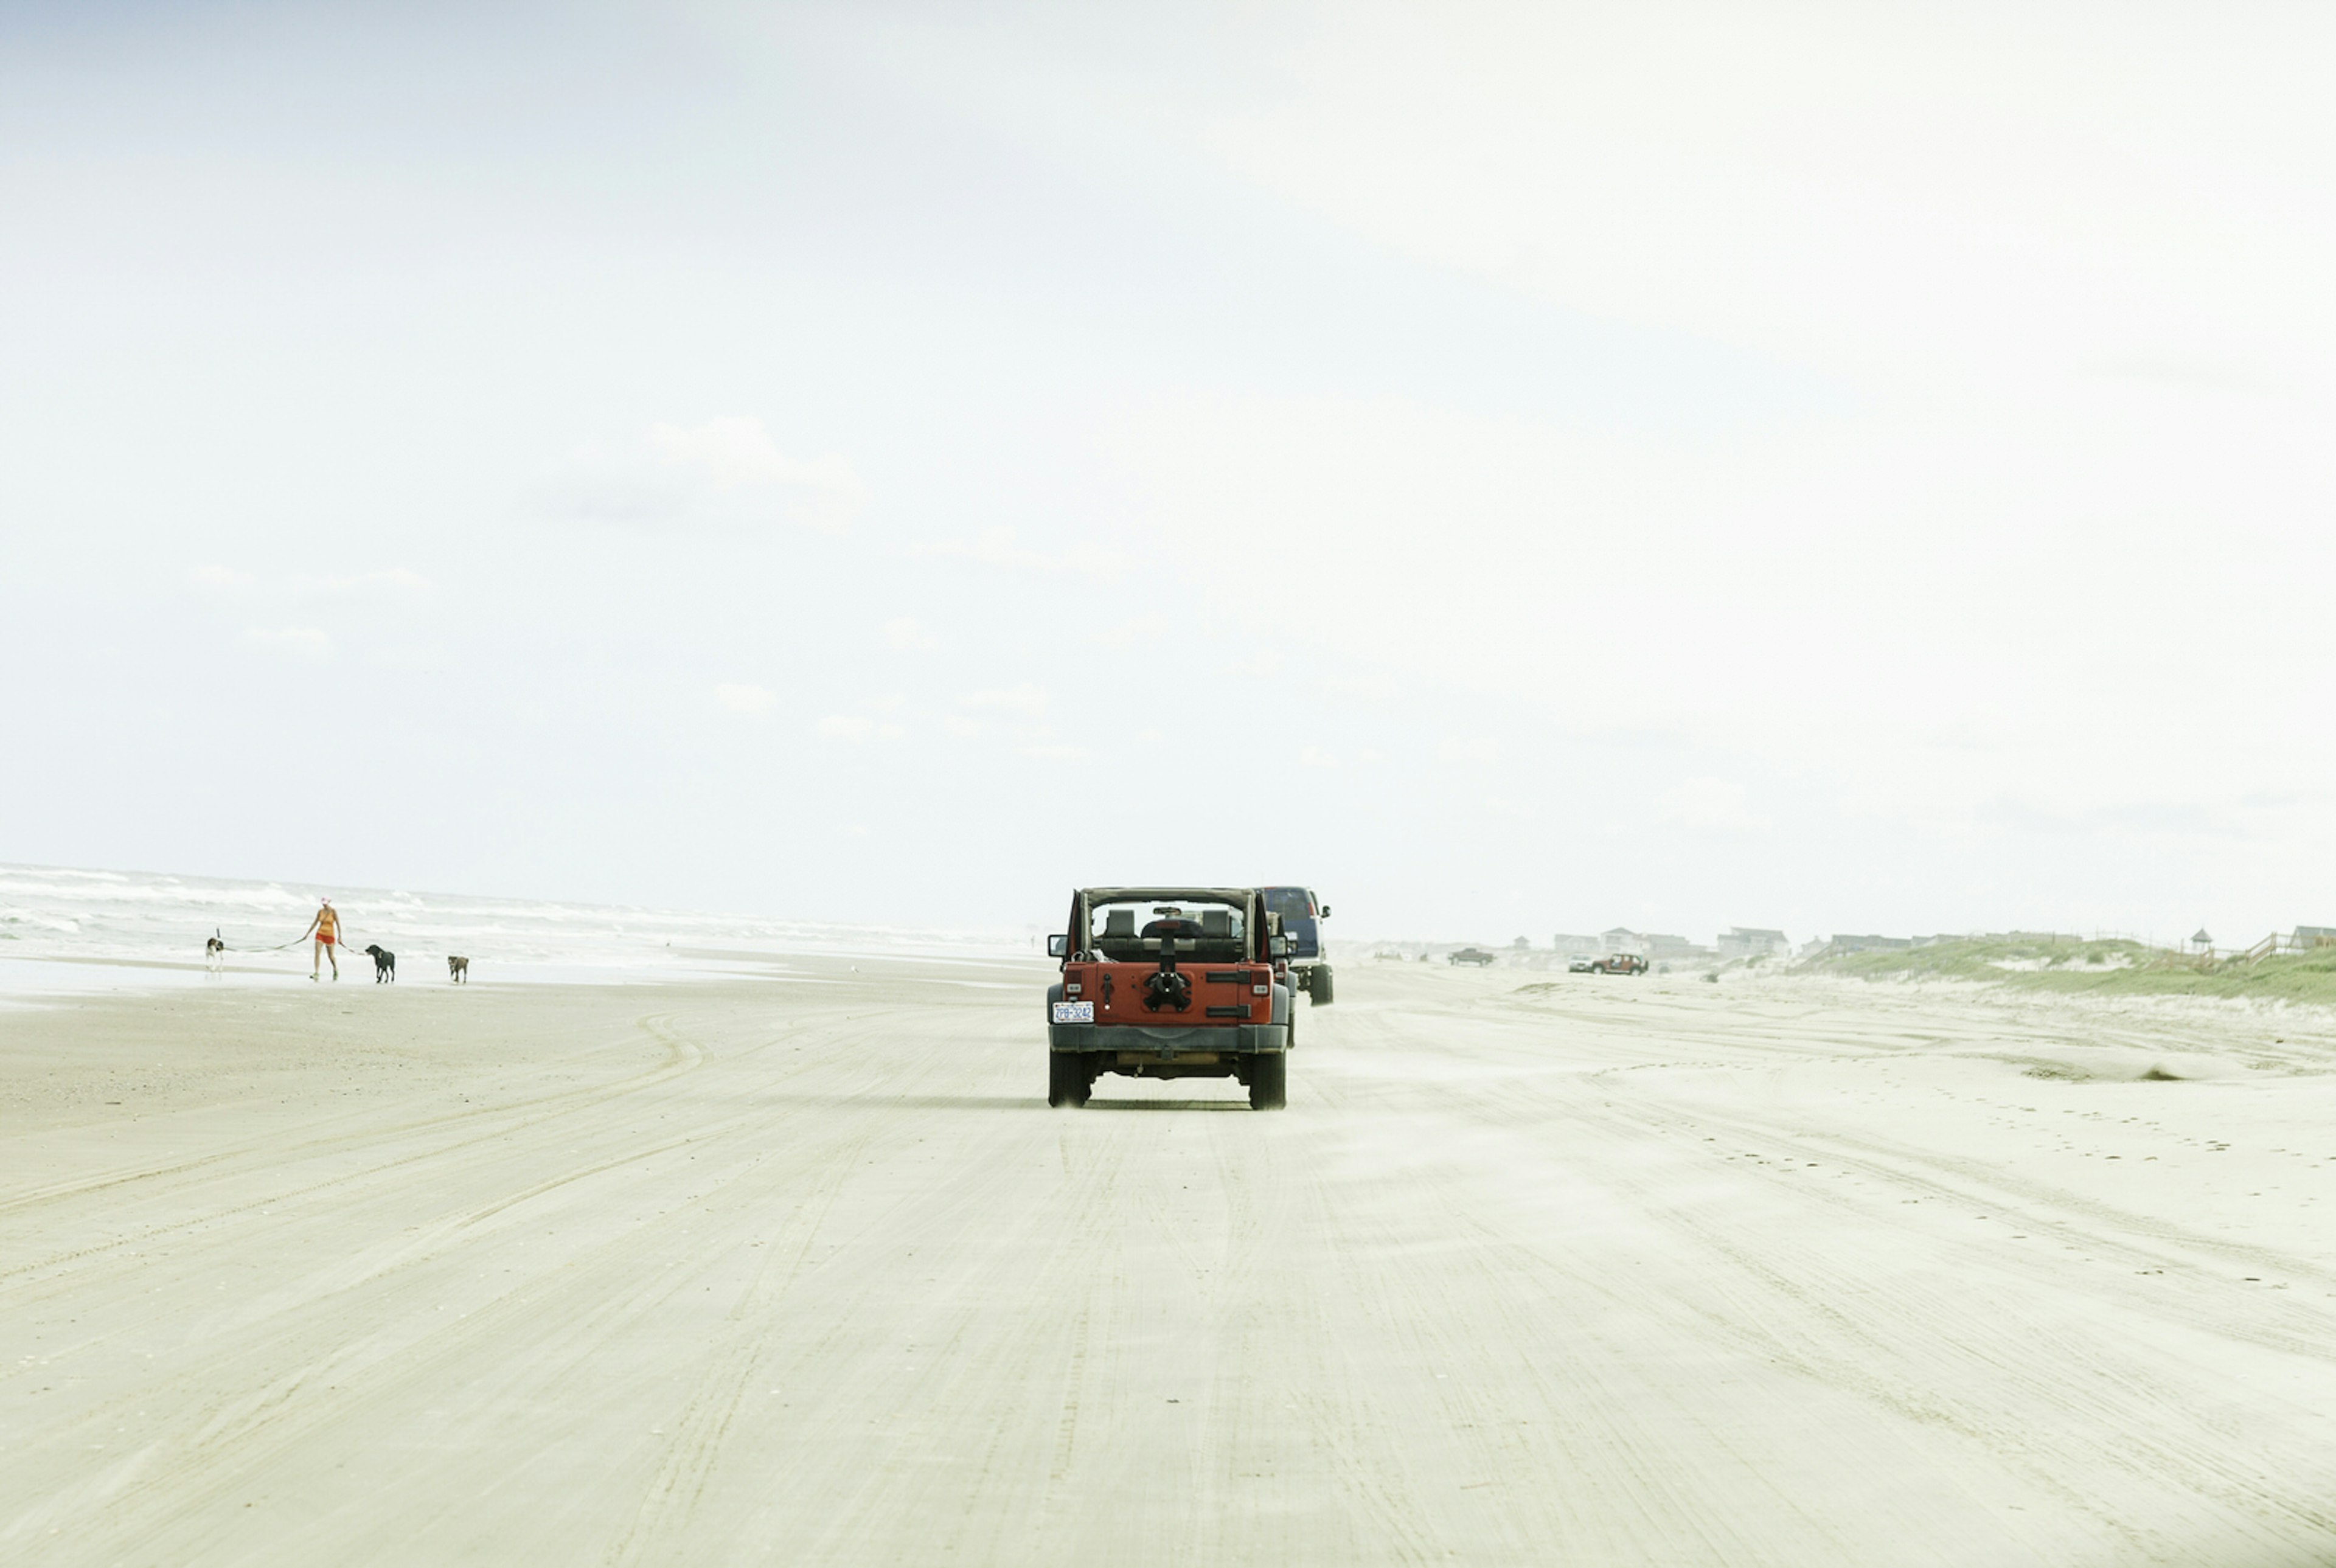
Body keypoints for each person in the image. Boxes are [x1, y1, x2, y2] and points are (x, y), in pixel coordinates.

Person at [300, 898, 342, 981]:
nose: (324, 905)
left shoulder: (333, 912)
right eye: (323, 903)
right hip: (320, 934)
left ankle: (335, 969)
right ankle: (316, 972)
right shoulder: (320, 912)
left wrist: (340, 937)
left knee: (331, 956)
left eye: (326, 903)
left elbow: (338, 924)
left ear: (329, 902)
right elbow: (315, 923)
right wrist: (307, 934)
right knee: (317, 953)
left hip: (330, 935)